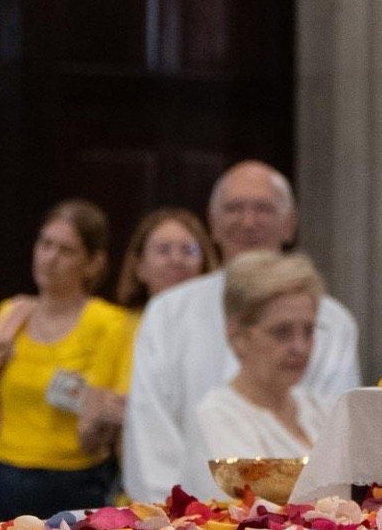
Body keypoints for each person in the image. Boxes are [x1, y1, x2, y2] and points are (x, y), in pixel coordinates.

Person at [122, 162, 360, 502]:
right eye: (234, 208)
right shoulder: (168, 312)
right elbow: (150, 427)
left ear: (289, 224)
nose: (248, 222)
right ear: (212, 223)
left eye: (263, 208)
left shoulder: (333, 320)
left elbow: (336, 431)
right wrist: (170, 514)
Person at [0, 200, 131, 517]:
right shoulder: (9, 314)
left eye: (66, 251)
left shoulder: (109, 323)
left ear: (93, 263)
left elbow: (108, 415)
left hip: (75, 481)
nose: (50, 258)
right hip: (2, 474)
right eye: (45, 244)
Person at [77, 209, 221, 456]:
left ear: (204, 265)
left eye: (188, 250)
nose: (176, 259)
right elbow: (86, 438)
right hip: (138, 473)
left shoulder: (225, 330)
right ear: (140, 268)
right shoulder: (119, 329)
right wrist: (105, 418)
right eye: (164, 250)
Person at [191, 252, 326, 473]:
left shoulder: (318, 411)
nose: (300, 347)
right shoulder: (218, 417)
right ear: (238, 336)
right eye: (282, 332)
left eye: (308, 331)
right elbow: (250, 495)